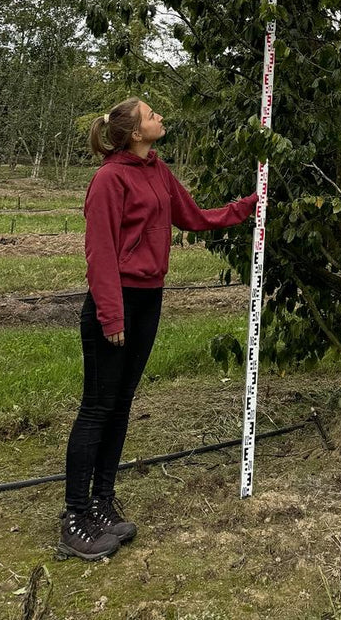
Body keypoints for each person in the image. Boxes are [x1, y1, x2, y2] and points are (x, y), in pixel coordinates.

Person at [58, 97, 258, 561]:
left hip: (149, 300)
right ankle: (74, 517)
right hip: (117, 303)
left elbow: (194, 217)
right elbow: (100, 253)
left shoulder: (158, 171)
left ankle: (103, 503)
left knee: (122, 402)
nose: (160, 118)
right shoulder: (110, 179)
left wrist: (249, 205)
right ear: (133, 132)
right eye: (151, 115)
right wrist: (111, 316)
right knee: (97, 407)